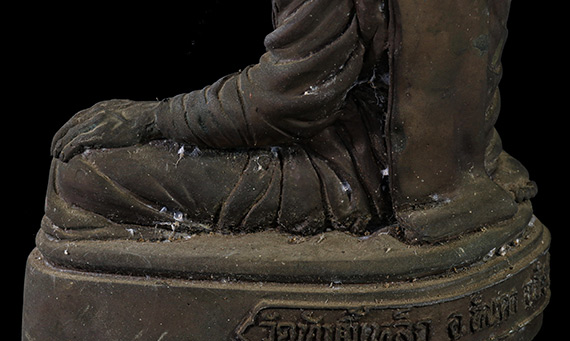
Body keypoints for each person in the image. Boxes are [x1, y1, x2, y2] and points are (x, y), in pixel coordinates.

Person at [44, 0, 535, 242]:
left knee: (85, 172)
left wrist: (154, 118)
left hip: (362, 175)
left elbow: (285, 102)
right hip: (468, 156)